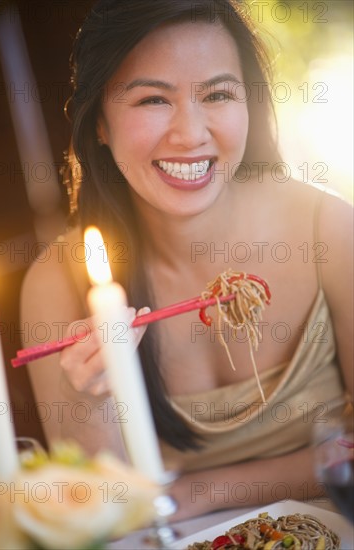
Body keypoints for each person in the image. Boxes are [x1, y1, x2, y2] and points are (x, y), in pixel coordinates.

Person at [21, 0, 353, 521]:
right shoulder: (56, 283)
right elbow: (102, 509)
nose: (190, 133)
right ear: (100, 124)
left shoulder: (326, 228)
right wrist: (85, 398)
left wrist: (200, 492)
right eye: (154, 99)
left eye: (217, 94)